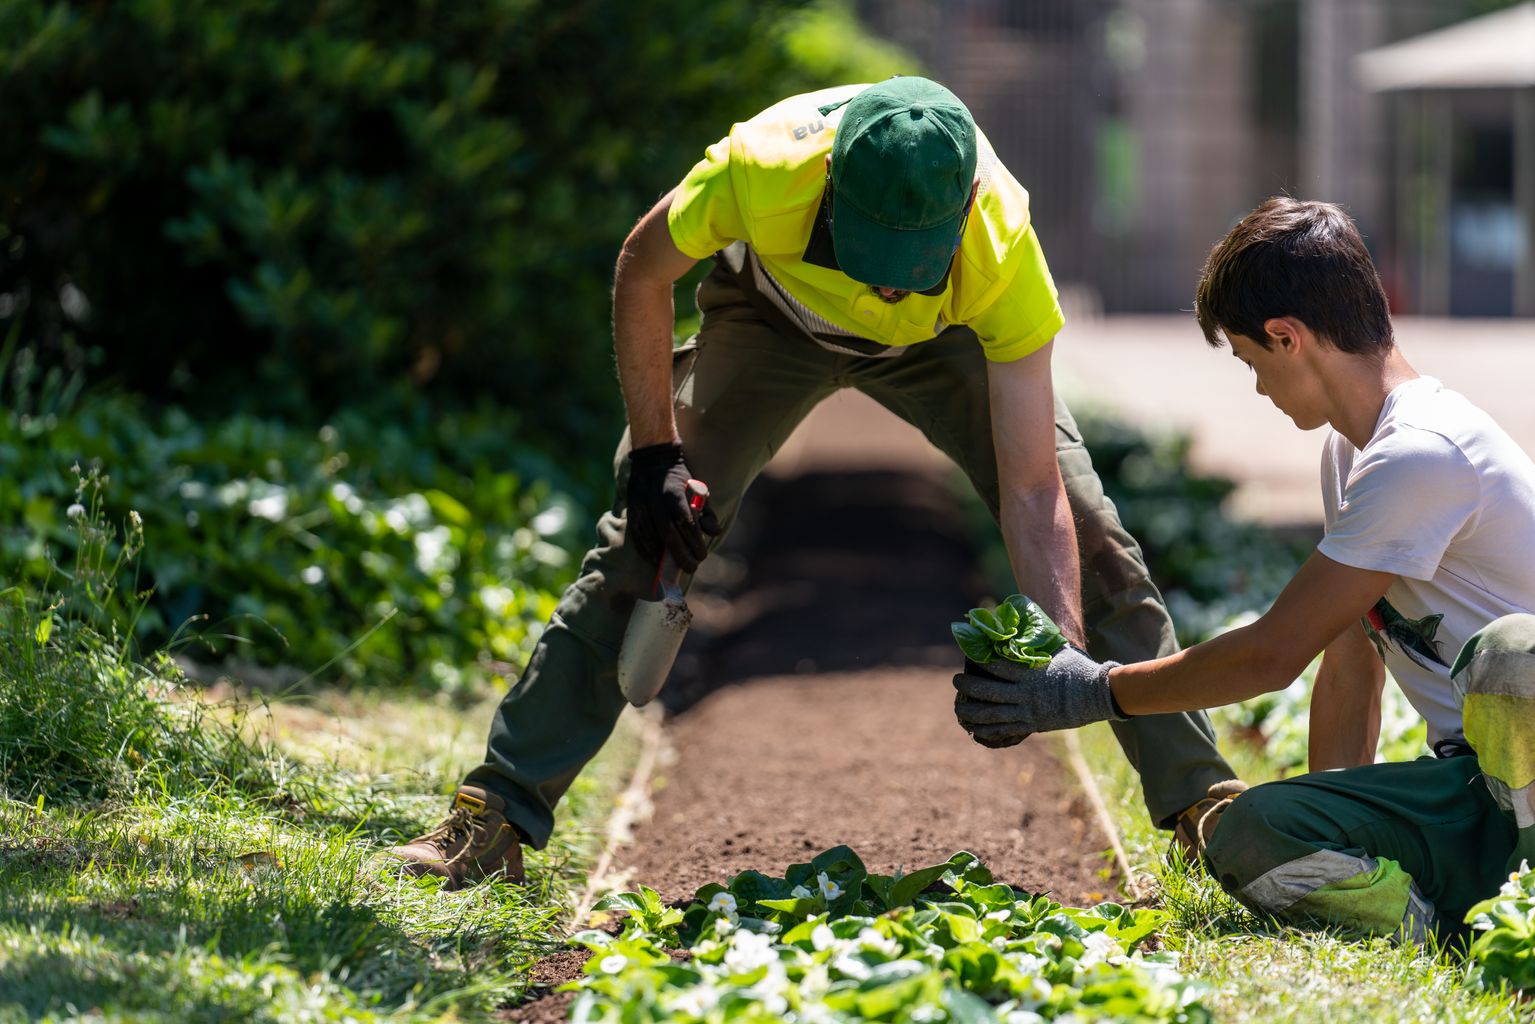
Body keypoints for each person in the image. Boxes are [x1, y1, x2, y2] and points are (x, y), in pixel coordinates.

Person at [386, 76, 1237, 888]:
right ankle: (495, 813)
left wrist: (1057, 655)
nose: (885, 282)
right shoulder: (761, 166)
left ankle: (1204, 807)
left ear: (964, 212)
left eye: (911, 260)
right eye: (867, 251)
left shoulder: (1000, 242)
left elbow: (1031, 489)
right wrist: (656, 456)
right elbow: (643, 270)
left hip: (945, 343)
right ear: (827, 185)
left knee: (1090, 534)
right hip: (771, 318)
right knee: (647, 541)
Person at [952, 196, 1535, 943]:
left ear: (1285, 337)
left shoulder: (1423, 450)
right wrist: (1338, 816)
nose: (1257, 386)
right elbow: (1349, 660)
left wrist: (1092, 691)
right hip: (1477, 791)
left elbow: (1272, 654)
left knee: (1513, 655)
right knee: (1253, 829)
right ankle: (1457, 932)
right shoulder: (1350, 454)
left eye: (1250, 360)